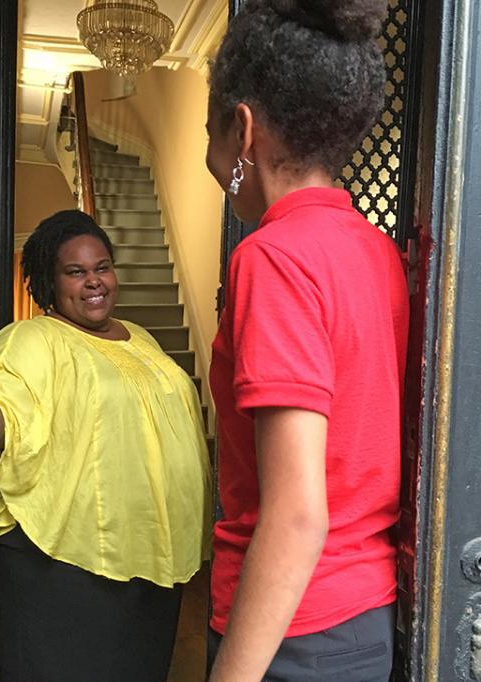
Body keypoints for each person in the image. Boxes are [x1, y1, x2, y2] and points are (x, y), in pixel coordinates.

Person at [204, 1, 409, 681]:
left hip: (289, 628)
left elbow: (296, 516)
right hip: (364, 617)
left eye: (211, 130)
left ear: (243, 129)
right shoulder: (375, 252)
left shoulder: (272, 258)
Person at [0, 210, 211, 682]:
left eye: (102, 267)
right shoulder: (31, 338)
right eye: (76, 271)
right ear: (50, 282)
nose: (94, 282)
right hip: (61, 564)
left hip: (149, 555)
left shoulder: (142, 338)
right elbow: (7, 414)